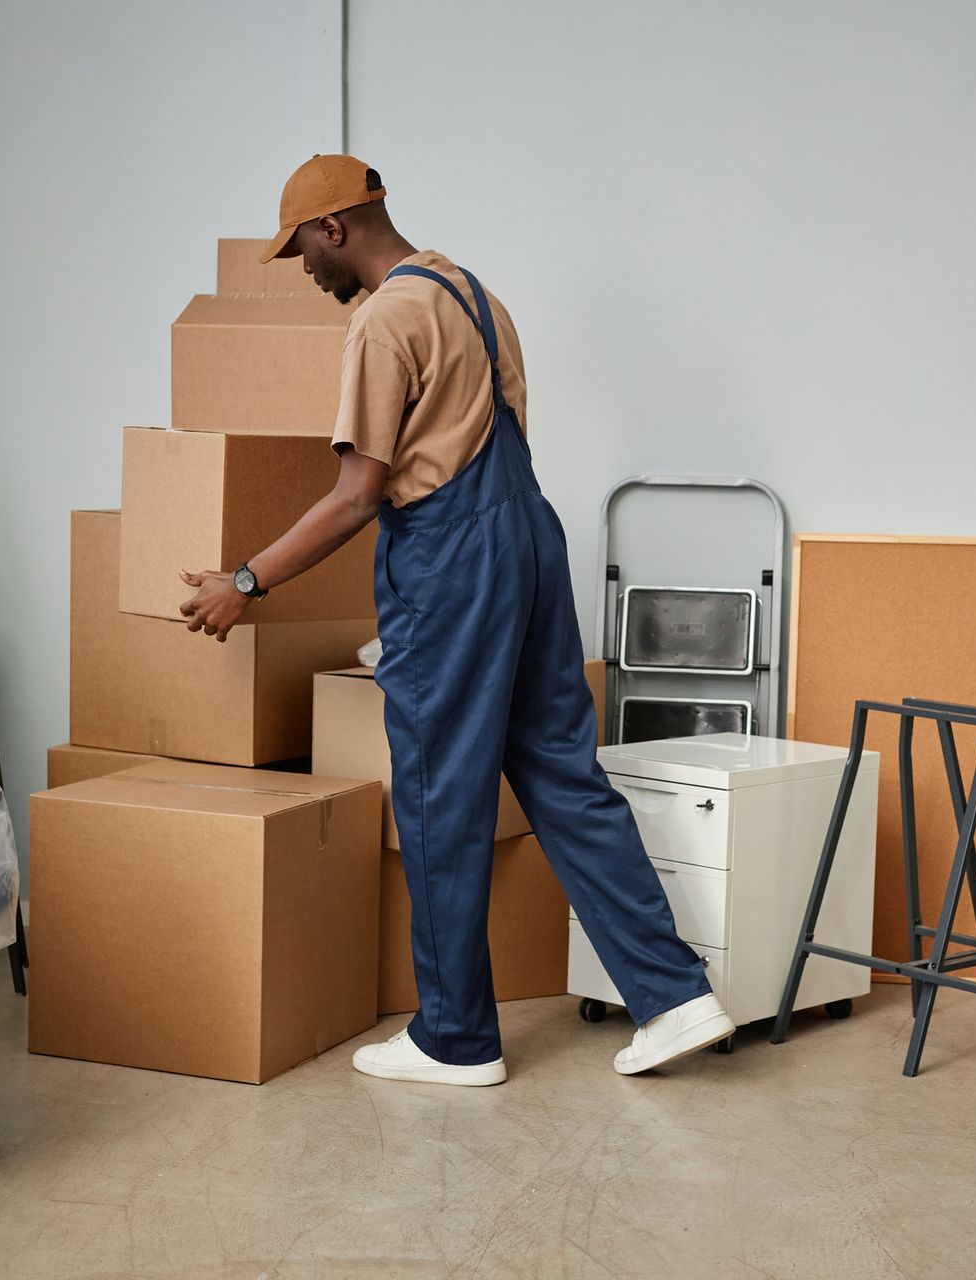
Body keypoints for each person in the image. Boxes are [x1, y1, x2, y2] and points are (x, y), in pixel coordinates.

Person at [179, 154, 733, 1086]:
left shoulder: (384, 318)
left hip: (451, 555)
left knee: (441, 793)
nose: (303, 269)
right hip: (527, 540)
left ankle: (456, 1037)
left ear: (336, 228)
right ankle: (675, 996)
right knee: (563, 774)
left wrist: (247, 579)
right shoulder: (472, 292)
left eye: (303, 250)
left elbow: (359, 496)